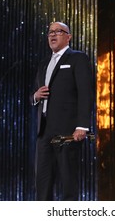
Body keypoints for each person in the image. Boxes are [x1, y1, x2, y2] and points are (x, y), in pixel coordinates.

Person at [31, 21, 94, 201]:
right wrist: (35, 96)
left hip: (67, 131)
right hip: (44, 131)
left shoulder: (77, 58)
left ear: (68, 37)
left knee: (68, 182)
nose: (52, 35)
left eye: (58, 31)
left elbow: (85, 93)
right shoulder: (44, 63)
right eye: (50, 32)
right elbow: (34, 92)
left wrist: (82, 126)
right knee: (42, 183)